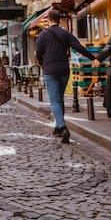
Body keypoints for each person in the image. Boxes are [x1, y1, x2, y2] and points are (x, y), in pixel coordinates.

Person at [35, 9, 96, 144]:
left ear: (49, 20)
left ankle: (63, 128)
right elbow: (79, 47)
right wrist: (93, 58)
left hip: (50, 70)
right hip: (63, 70)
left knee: (54, 100)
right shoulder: (65, 34)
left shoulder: (43, 35)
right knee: (59, 99)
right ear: (59, 20)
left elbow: (38, 53)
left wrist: (43, 64)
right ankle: (57, 127)